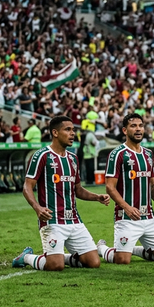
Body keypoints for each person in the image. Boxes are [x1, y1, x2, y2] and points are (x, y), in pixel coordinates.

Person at [12, 116, 111, 271]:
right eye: (68, 130)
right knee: (55, 266)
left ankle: (57, 255)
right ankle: (26, 257)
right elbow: (27, 186)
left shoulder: (73, 159)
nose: (73, 133)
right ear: (55, 133)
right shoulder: (41, 156)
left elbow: (78, 190)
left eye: (73, 130)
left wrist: (96, 197)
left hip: (73, 220)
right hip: (53, 220)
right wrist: (37, 208)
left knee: (94, 263)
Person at [96, 113, 154, 265]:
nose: (138, 129)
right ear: (125, 130)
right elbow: (110, 187)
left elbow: (152, 185)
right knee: (122, 260)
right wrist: (127, 208)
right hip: (127, 217)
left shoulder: (148, 154)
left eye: (140, 126)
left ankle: (130, 250)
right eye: (133, 126)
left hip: (148, 216)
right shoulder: (117, 154)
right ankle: (102, 248)